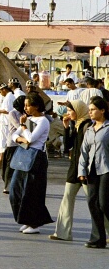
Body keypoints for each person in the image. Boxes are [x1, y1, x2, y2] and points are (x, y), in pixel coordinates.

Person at [50, 99, 96, 242]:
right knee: (67, 199)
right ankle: (63, 233)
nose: (68, 113)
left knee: (94, 203)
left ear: (78, 110)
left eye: (70, 110)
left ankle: (102, 233)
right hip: (74, 168)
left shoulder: (88, 125)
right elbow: (68, 146)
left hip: (86, 170)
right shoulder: (77, 124)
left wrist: (84, 170)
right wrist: (66, 127)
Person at [9, 93, 54, 234]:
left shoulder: (43, 121)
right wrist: (22, 139)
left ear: (37, 106)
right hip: (24, 155)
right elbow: (14, 135)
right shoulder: (29, 119)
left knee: (32, 192)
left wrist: (23, 127)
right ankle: (25, 219)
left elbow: (32, 138)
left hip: (36, 158)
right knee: (15, 190)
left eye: (28, 105)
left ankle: (34, 223)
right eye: (25, 106)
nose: (25, 108)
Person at [78, 96, 109, 248]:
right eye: (89, 110)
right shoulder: (89, 129)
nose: (90, 112)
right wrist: (81, 170)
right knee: (92, 202)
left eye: (93, 110)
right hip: (92, 171)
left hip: (106, 170)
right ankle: (98, 238)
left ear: (102, 110)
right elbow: (84, 151)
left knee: (104, 204)